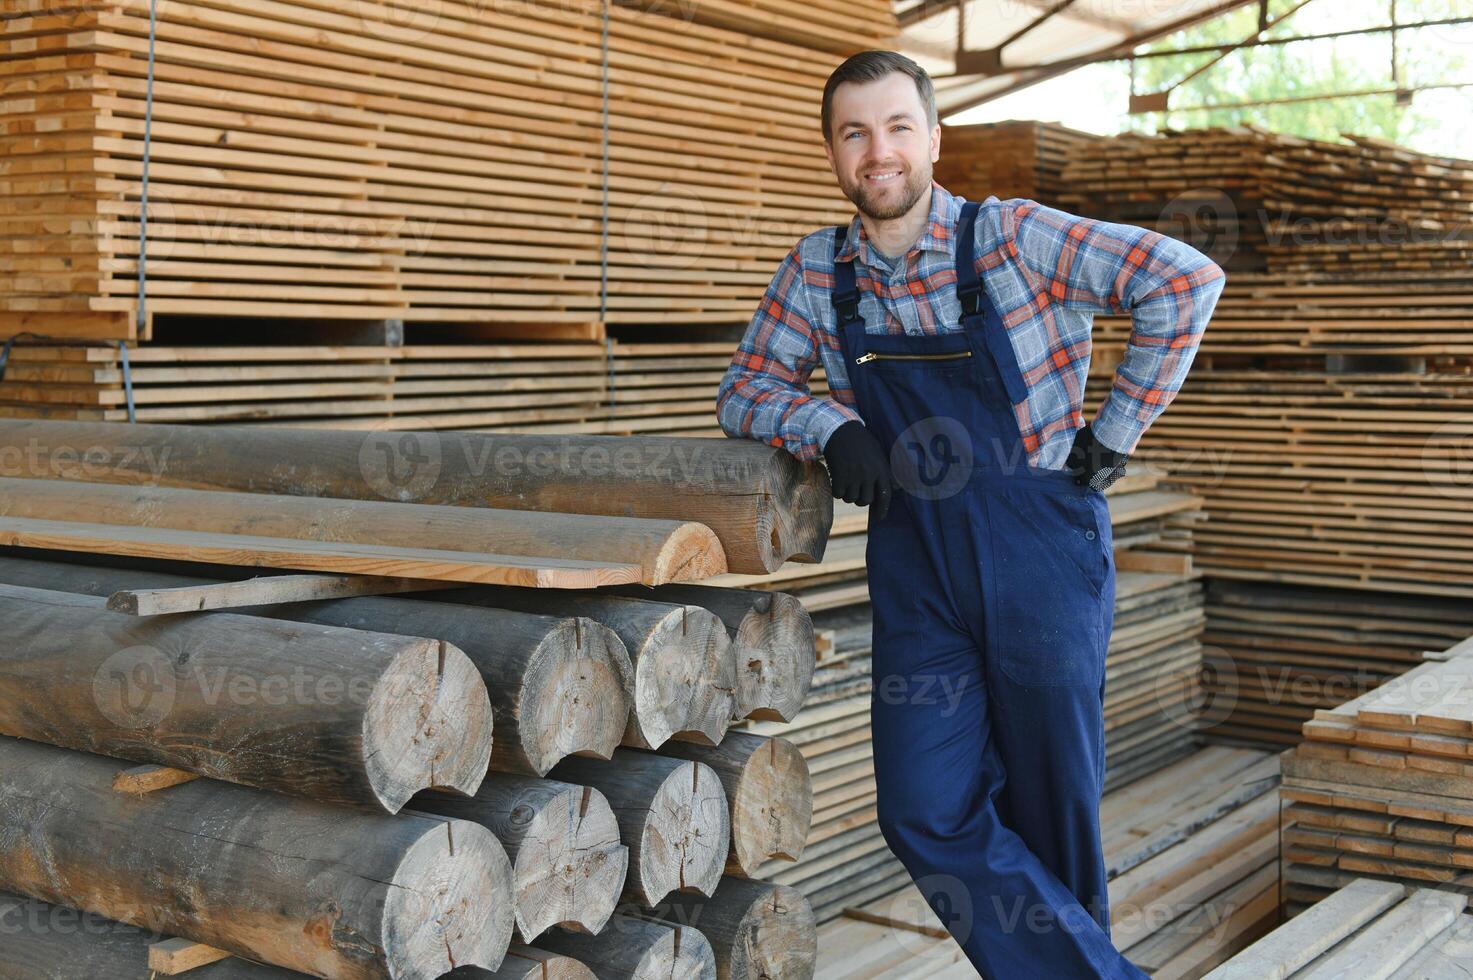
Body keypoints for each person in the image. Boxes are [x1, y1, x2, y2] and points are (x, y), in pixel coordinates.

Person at [716, 50, 1225, 979]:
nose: (878, 152)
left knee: (1050, 809)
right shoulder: (818, 271)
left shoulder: (1013, 239)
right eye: (853, 133)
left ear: (933, 138)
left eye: (897, 127)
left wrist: (1114, 434)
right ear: (832, 152)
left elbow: (1183, 280)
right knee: (922, 807)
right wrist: (826, 425)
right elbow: (743, 387)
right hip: (919, 563)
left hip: (1038, 546)